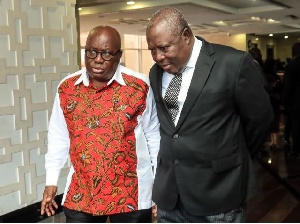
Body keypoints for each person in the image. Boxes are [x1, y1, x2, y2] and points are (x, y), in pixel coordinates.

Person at [146, 7, 273, 223]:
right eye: (152, 50)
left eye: (164, 48)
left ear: (186, 36)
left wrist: (233, 156)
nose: (158, 56)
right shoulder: (156, 72)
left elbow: (260, 120)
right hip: (170, 195)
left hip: (219, 192)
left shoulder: (233, 63)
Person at [40, 25, 160, 223]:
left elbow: (153, 138)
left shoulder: (139, 86)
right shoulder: (67, 88)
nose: (97, 59)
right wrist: (51, 181)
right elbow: (58, 137)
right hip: (82, 191)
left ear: (118, 55)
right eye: (91, 52)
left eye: (106, 54)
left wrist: (158, 188)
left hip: (130, 193)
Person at [282, 42, 300, 157]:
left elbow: (287, 86)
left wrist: (283, 102)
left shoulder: (291, 65)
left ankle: (297, 149)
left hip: (296, 101)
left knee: (296, 126)